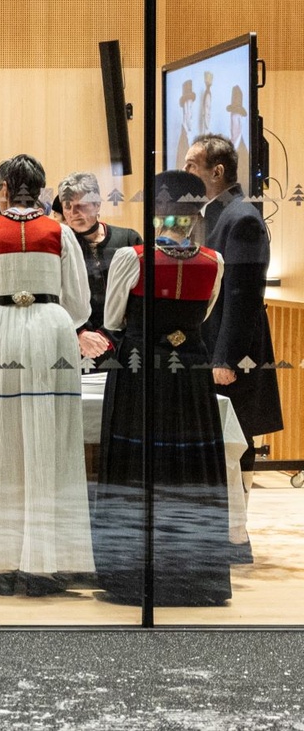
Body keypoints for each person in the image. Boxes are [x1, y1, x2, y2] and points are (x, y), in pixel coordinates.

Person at [0, 154, 93, 596]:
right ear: (43, 189)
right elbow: (81, 305)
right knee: (53, 441)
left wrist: (4, 313)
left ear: (4, 188)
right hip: (52, 330)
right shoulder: (60, 232)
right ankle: (47, 562)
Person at [93, 170, 235, 607]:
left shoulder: (132, 258)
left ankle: (132, 575)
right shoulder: (214, 261)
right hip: (190, 372)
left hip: (141, 370)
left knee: (139, 462)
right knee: (188, 466)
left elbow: (114, 319)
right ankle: (194, 576)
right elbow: (204, 316)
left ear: (155, 210)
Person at [185, 134, 284, 474]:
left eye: (191, 165)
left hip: (231, 355)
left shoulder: (241, 218)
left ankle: (238, 523)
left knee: (236, 438)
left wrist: (226, 357)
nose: (183, 172)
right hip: (209, 346)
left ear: (217, 172)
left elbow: (243, 296)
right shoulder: (212, 214)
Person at [55, 171, 141, 367]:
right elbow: (54, 296)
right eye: (68, 206)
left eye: (81, 205)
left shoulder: (128, 240)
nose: (74, 212)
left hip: (124, 346)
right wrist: (80, 333)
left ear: (97, 204)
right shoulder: (56, 244)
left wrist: (107, 336)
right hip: (73, 345)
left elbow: (139, 298)